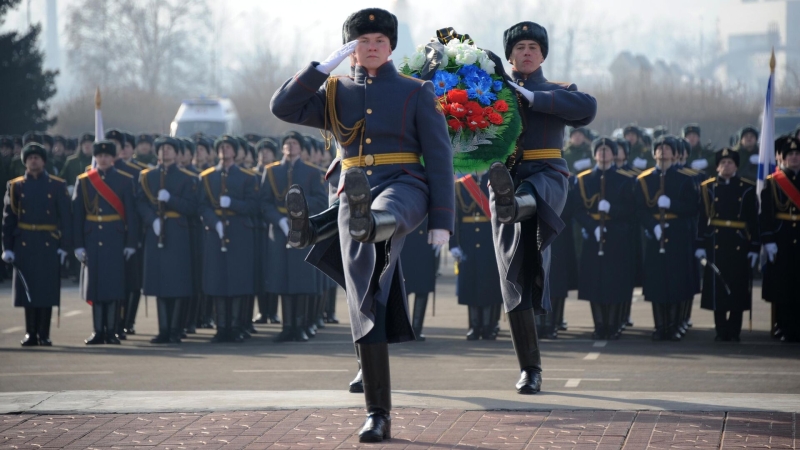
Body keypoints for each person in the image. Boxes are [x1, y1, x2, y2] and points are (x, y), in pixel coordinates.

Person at [271, 8, 454, 442]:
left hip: (403, 185)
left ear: (391, 47)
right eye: (362, 41)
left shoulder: (416, 90)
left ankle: (331, 226)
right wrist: (319, 69)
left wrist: (442, 220)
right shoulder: (333, 92)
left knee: (375, 216)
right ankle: (378, 412)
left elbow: (440, 157)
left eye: (379, 41)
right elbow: (283, 106)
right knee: (364, 296)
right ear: (351, 48)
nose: (372, 48)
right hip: (352, 190)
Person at [486, 21, 596, 394]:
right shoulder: (490, 92)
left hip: (547, 176)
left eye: (533, 47)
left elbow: (586, 109)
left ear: (543, 54)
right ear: (510, 56)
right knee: (513, 274)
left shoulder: (559, 90)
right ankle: (529, 368)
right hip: (505, 177)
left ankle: (514, 204)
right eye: (520, 48)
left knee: (530, 195)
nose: (527, 52)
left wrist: (529, 97)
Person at [2, 143, 72, 346]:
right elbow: (8, 219)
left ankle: (44, 333)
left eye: (37, 157)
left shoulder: (56, 185)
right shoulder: (15, 186)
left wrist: (64, 246)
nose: (34, 161)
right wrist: (6, 247)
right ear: (25, 161)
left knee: (46, 290)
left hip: (48, 242)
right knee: (28, 289)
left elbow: (65, 218)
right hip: (24, 242)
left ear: (44, 161)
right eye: (30, 157)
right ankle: (30, 332)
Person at [261, 131, 327, 342]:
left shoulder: (310, 172)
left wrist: (301, 213)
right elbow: (264, 202)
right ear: (282, 148)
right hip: (280, 232)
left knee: (301, 280)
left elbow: (320, 200)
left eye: (295, 143)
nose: (291, 147)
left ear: (301, 148)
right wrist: (278, 220)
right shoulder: (271, 172)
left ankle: (301, 325)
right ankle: (287, 326)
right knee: (282, 280)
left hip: (303, 231)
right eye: (287, 143)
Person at [73, 141, 138, 345]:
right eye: (99, 156)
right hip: (92, 238)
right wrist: (78, 244)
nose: (103, 159)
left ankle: (111, 331)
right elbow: (77, 215)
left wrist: (130, 243)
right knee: (96, 287)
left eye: (107, 156)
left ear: (113, 158)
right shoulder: (84, 181)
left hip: (114, 238)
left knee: (113, 287)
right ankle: (97, 330)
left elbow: (132, 215)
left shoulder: (125, 181)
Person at [634, 136, 699, 341]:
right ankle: (660, 326)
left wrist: (672, 204)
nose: (663, 153)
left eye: (667, 149)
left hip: (678, 234)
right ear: (654, 154)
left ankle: (673, 325)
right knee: (657, 282)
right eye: (659, 149)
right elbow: (640, 209)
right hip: (656, 235)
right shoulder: (644, 180)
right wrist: (653, 226)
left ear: (674, 154)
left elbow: (693, 207)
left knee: (675, 281)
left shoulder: (684, 178)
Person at [572, 138, 636, 339]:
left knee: (615, 282)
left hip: (617, 235)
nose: (603, 153)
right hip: (593, 236)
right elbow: (577, 209)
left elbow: (632, 210)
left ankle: (613, 324)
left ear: (614, 154)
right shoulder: (584, 179)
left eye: (608, 150)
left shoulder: (625, 179)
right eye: (600, 150)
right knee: (595, 282)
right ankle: (599, 324)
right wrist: (592, 227)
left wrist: (612, 210)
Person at [198, 135, 259, 343]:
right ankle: (221, 327)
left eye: (228, 147)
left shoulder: (247, 177)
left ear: (235, 152)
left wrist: (232, 203)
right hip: (216, 233)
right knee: (217, 280)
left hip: (239, 232)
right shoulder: (206, 177)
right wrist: (213, 222)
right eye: (221, 147)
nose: (224, 150)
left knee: (237, 280)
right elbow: (202, 205)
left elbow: (253, 206)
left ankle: (235, 327)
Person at [137, 137, 198, 344]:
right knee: (160, 283)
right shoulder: (147, 177)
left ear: (177, 152)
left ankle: (175, 329)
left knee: (178, 283)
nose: (165, 152)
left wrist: (170, 199)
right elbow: (141, 203)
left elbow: (192, 207)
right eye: (162, 149)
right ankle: (163, 329)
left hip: (178, 233)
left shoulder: (187, 178)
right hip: (157, 230)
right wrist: (151, 220)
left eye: (170, 148)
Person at [695, 148, 758, 342]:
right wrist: (699, 243)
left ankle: (735, 329)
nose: (726, 166)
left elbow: (753, 219)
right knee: (718, 288)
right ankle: (721, 329)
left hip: (739, 241)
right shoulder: (708, 188)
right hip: (716, 241)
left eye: (730, 163)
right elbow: (702, 217)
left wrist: (755, 246)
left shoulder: (747, 188)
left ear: (736, 166)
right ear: (717, 167)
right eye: (722, 163)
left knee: (738, 287)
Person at [450, 171, 503, 340]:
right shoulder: (460, 185)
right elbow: (454, 217)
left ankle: (488, 326)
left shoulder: (496, 183)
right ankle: (474, 326)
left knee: (488, 283)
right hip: (468, 242)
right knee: (471, 284)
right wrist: (453, 244)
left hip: (490, 241)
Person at [760, 137, 800, 342]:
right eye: (790, 155)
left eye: (797, 154)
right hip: (781, 238)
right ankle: (783, 326)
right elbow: (766, 215)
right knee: (784, 286)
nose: (794, 157)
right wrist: (768, 241)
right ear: (782, 159)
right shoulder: (773, 183)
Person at [399, 217, 440, 341]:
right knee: (402, 289)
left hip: (425, 243)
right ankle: (402, 328)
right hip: (403, 243)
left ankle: (417, 328)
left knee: (423, 288)